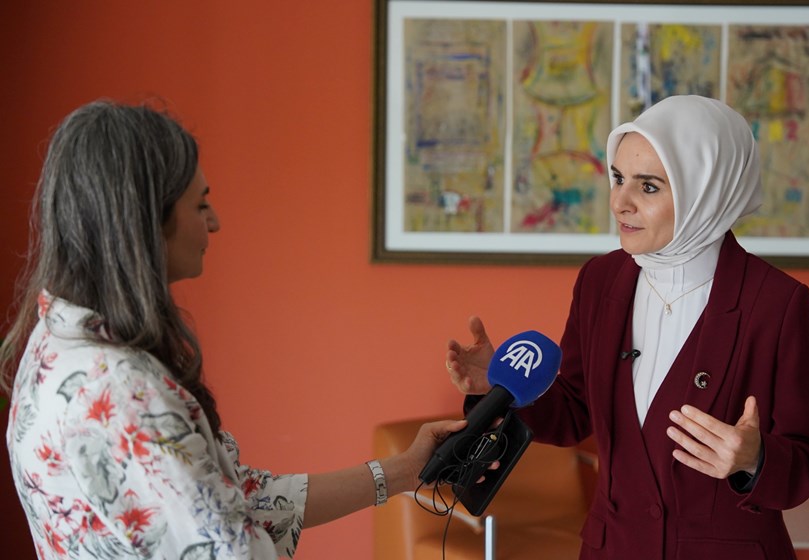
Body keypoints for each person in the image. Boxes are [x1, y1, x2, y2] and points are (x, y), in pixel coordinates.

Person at [1, 100, 464, 559]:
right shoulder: (122, 390)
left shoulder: (54, 341)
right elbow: (235, 549)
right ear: (144, 219)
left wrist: (403, 472)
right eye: (201, 204)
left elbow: (233, 501)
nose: (215, 222)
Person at [445, 95, 809, 559]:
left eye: (648, 187)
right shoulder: (600, 280)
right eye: (617, 178)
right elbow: (574, 409)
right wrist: (502, 389)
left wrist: (755, 459)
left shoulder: (778, 303)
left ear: (706, 192)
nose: (619, 202)